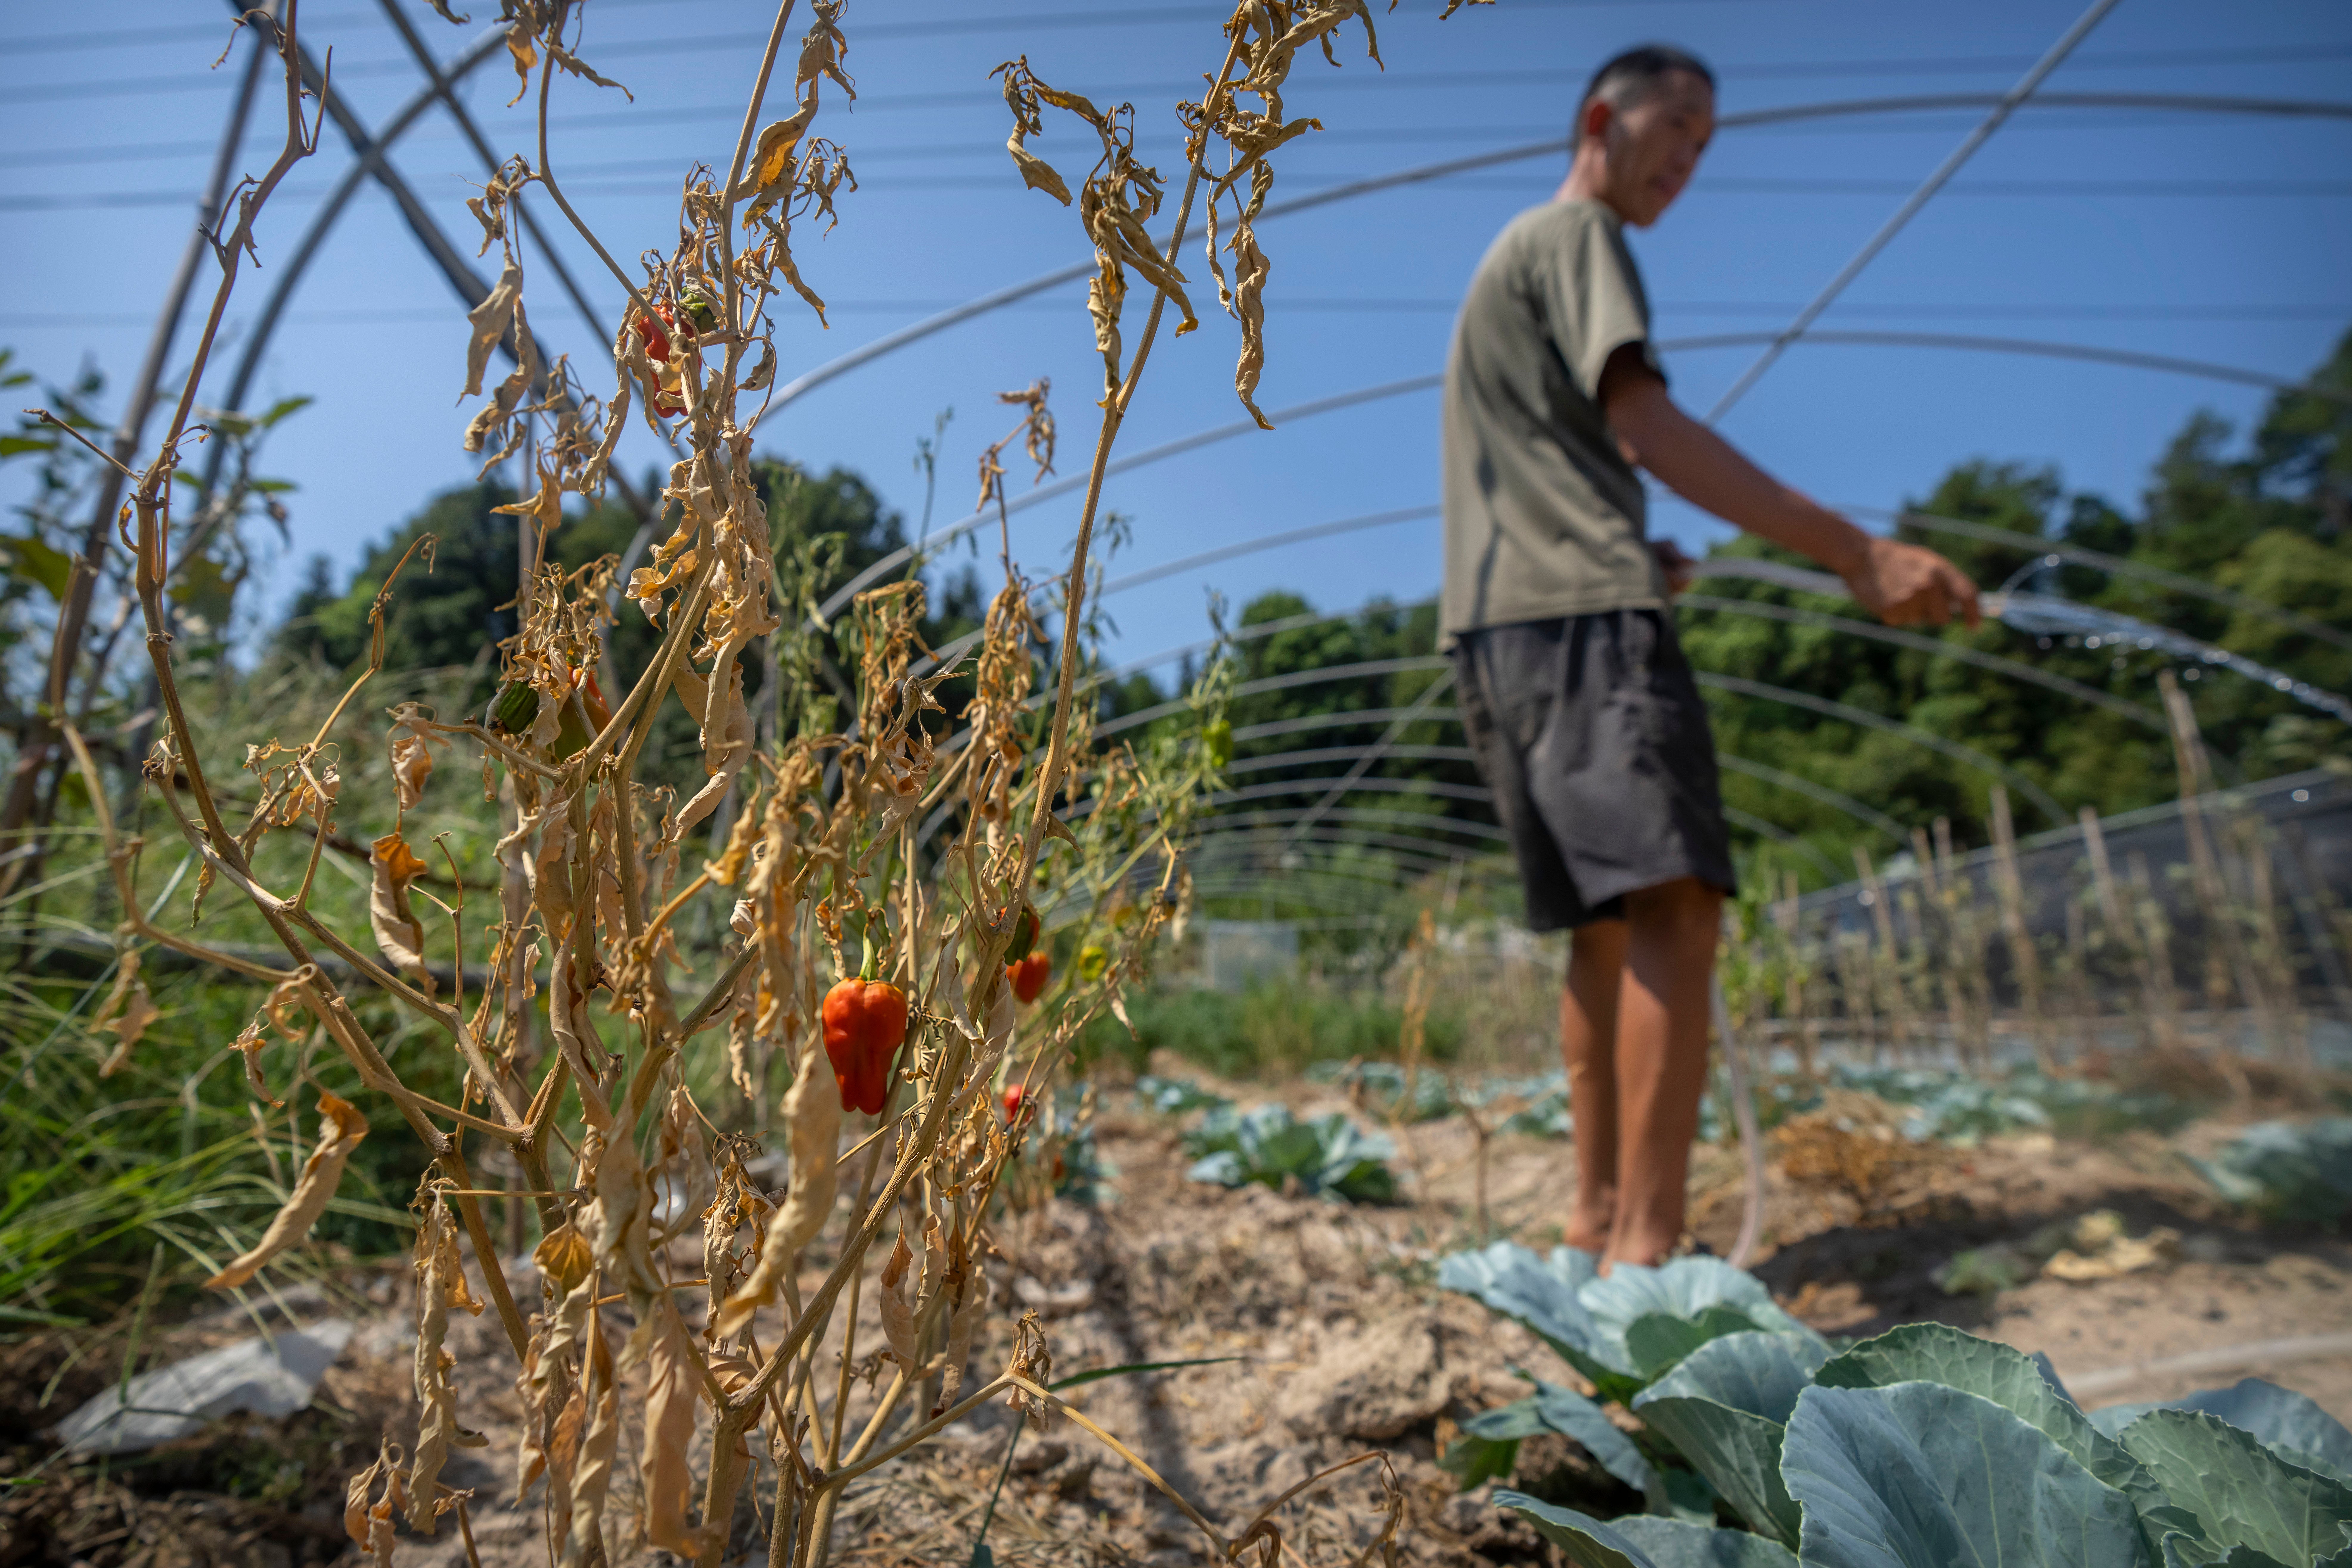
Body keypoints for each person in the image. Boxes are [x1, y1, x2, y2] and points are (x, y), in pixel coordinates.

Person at [1438, 44, 1979, 1270]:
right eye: (1673, 126)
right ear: (1599, 119)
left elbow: (1572, 461)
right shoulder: (1577, 239)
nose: (1685, 160)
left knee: (1599, 927)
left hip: (1499, 629)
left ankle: (1589, 1230)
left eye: (1703, 143)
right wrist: (1856, 552)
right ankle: (1647, 1256)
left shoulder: (1506, 262)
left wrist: (1644, 545)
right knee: (1673, 911)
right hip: (1580, 617)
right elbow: (1645, 424)